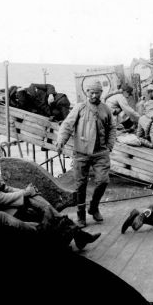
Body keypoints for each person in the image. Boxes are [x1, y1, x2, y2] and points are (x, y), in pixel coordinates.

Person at [0, 142, 100, 249]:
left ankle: (76, 234)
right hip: (1, 212)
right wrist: (24, 193)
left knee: (37, 200)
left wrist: (25, 191)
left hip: (8, 207)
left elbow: (6, 188)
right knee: (40, 206)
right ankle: (77, 235)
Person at [56, 79, 116, 226]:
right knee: (80, 185)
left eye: (97, 92)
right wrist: (61, 141)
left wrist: (109, 145)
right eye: (91, 92)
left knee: (103, 181)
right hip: (81, 153)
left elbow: (112, 128)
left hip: (100, 153)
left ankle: (94, 208)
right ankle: (81, 215)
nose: (94, 95)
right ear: (87, 92)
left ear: (101, 93)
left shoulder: (106, 109)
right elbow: (67, 125)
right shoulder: (79, 108)